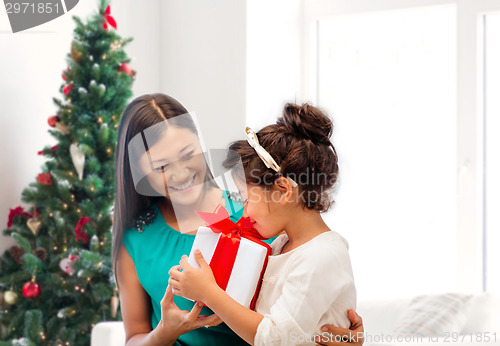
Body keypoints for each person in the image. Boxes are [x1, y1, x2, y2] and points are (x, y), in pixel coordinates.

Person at [112, 93, 365, 345]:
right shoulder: (137, 238)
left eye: (188, 154)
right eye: (161, 166)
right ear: (138, 171)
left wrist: (342, 328)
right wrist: (165, 331)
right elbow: (135, 336)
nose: (179, 173)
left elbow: (304, 304)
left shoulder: (262, 216)